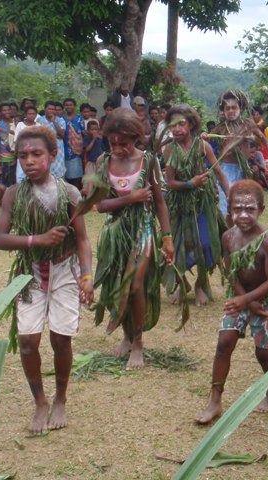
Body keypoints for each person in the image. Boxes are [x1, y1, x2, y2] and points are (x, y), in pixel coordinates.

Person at [0, 126, 93, 435]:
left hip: (65, 270)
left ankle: (60, 398)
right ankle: (39, 401)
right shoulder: (13, 194)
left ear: (53, 155)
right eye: (23, 156)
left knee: (61, 338)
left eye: (37, 154)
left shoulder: (70, 193)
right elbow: (0, 239)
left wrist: (87, 276)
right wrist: (39, 239)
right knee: (27, 341)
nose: (29, 161)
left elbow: (83, 240)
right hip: (31, 272)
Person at [94, 108, 175, 370]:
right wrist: (130, 198)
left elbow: (160, 203)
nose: (118, 148)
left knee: (136, 284)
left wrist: (167, 237)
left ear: (136, 139)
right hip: (115, 233)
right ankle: (126, 335)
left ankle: (138, 342)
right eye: (113, 142)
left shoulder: (148, 161)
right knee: (119, 284)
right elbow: (100, 205)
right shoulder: (103, 162)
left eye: (124, 143)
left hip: (142, 231)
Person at [196, 179, 268, 424]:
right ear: (229, 210)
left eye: (250, 209)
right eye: (237, 209)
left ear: (261, 210)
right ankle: (214, 400)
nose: (243, 215)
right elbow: (229, 268)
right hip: (240, 295)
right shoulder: (228, 238)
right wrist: (241, 298)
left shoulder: (267, 242)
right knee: (224, 341)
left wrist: (249, 300)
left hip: (262, 300)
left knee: (263, 353)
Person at [162, 104, 229, 306]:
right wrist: (191, 183)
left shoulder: (202, 146)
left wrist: (230, 194)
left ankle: (201, 283)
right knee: (179, 246)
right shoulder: (169, 150)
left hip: (202, 203)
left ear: (191, 124)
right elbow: (170, 182)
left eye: (181, 124)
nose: (176, 129)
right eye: (172, 125)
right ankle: (182, 285)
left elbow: (219, 172)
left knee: (205, 243)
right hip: (180, 205)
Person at [212, 90, 268, 217]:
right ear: (223, 111)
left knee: (244, 202)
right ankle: (228, 231)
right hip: (226, 170)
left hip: (244, 168)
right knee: (227, 204)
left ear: (241, 109)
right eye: (227, 108)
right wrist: (204, 136)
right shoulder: (221, 128)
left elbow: (263, 138)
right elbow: (209, 141)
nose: (231, 111)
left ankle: (243, 230)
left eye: (234, 107)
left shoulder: (248, 124)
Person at [37, 101, 66, 179]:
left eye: (53, 109)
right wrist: (52, 135)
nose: (51, 111)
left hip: (58, 151)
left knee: (59, 176)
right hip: (44, 149)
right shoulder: (39, 120)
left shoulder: (60, 120)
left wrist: (54, 121)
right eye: (49, 109)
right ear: (45, 109)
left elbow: (62, 134)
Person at [62, 98, 85, 190]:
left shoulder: (79, 118)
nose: (68, 107)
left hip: (76, 151)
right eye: (66, 105)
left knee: (77, 176)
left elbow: (83, 133)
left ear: (74, 106)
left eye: (70, 104)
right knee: (65, 177)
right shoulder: (61, 118)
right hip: (64, 150)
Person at [82, 119, 108, 197]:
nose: (94, 131)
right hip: (91, 163)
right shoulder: (87, 138)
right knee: (89, 182)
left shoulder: (100, 139)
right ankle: (87, 198)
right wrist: (93, 139)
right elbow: (87, 149)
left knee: (100, 181)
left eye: (96, 129)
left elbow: (103, 150)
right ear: (88, 130)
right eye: (92, 129)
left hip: (100, 164)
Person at [0, 103, 17, 186]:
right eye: (4, 110)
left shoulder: (16, 124)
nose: (7, 112)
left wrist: (16, 157)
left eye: (8, 110)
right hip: (4, 159)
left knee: (15, 181)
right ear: (0, 112)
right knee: (5, 181)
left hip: (17, 157)